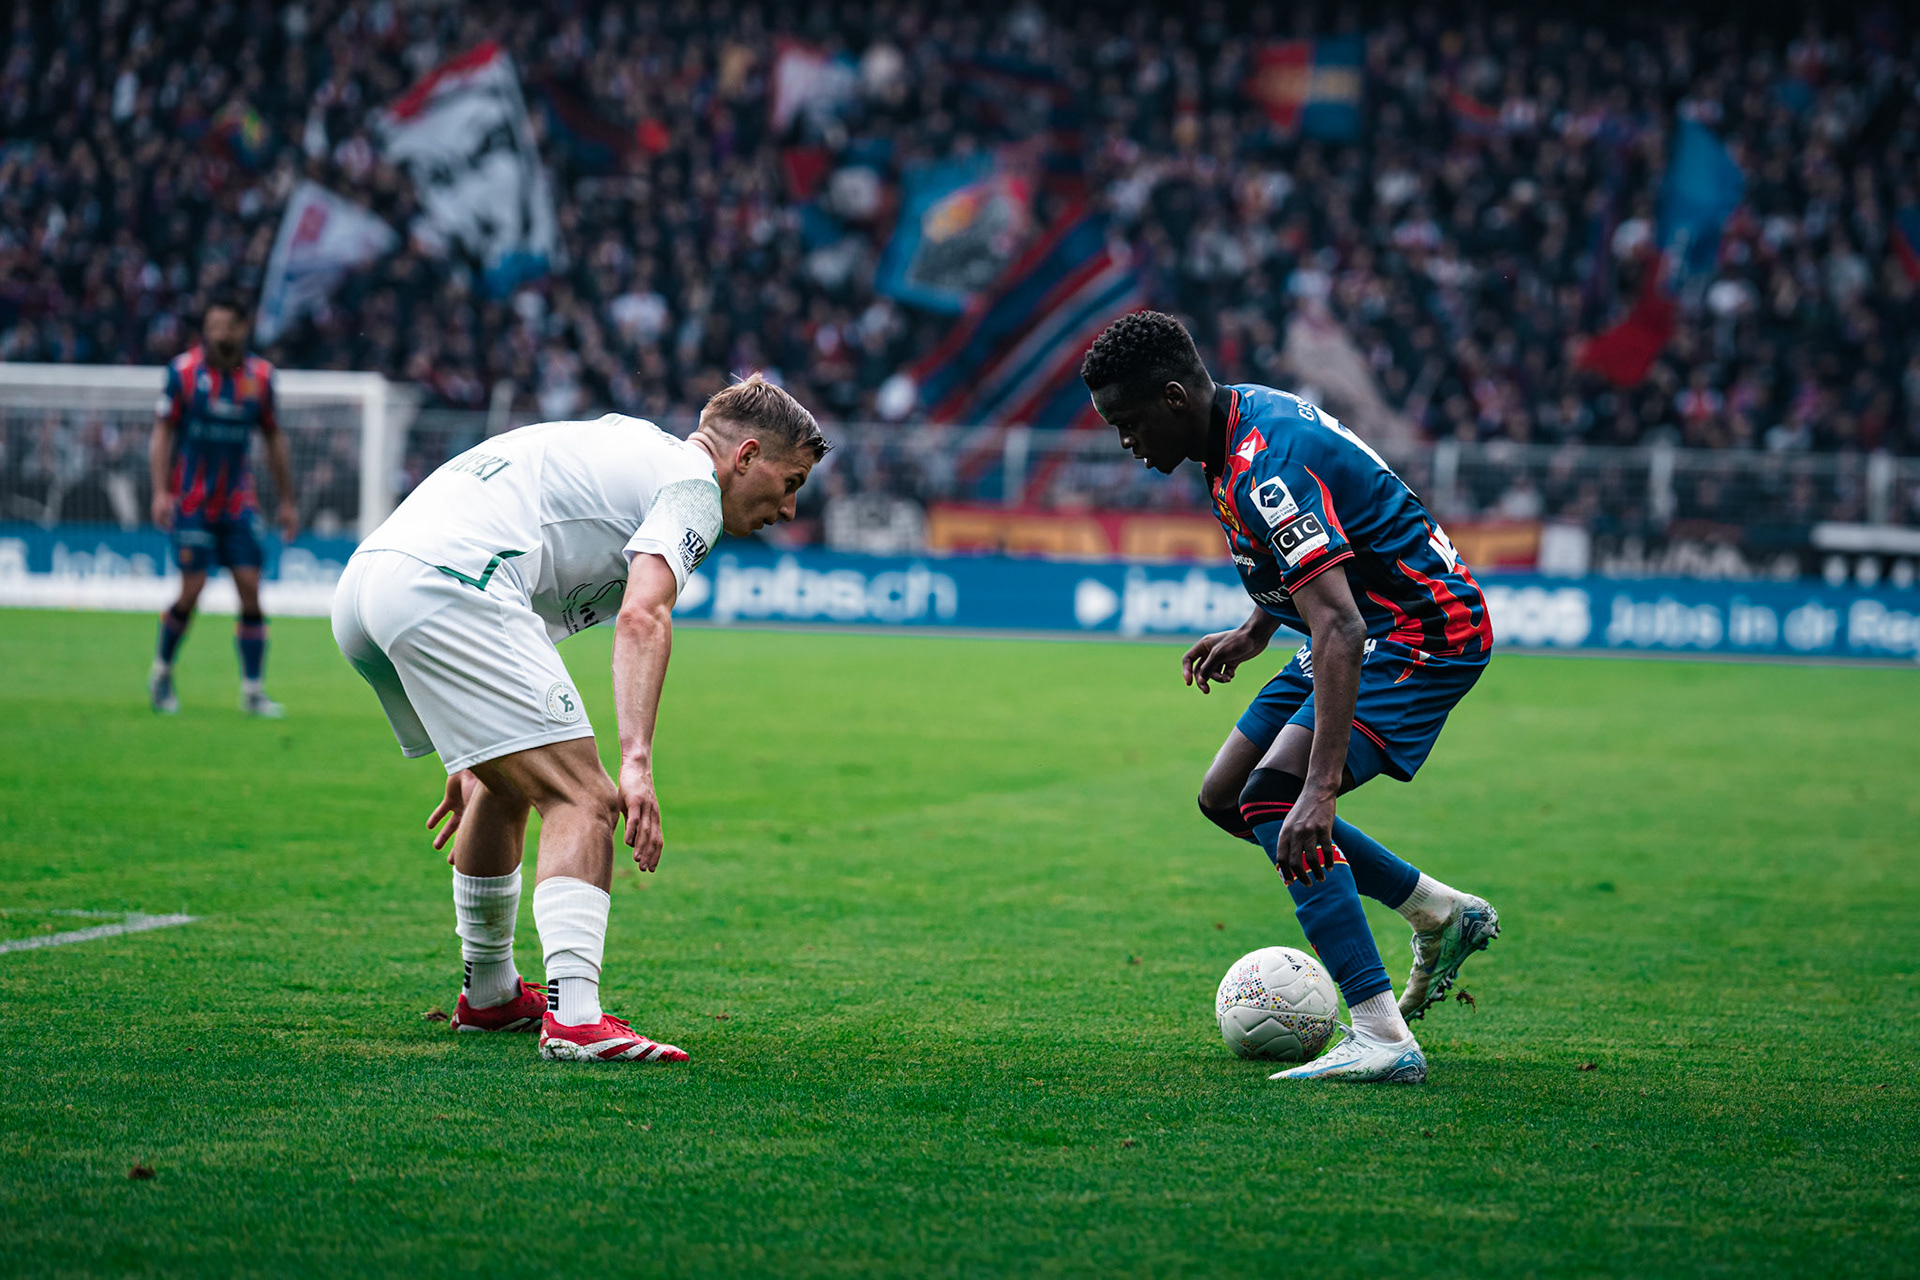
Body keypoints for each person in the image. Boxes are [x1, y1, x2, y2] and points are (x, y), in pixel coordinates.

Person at [331, 375, 827, 1064]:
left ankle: (492, 993)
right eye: (791, 480)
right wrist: (637, 762)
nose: (790, 507)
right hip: (450, 580)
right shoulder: (693, 489)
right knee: (585, 797)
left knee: (506, 785)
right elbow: (643, 614)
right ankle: (576, 1019)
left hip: (368, 586)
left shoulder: (628, 444)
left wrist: (472, 748)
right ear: (745, 457)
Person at [1081, 312, 1500, 1084]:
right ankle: (1436, 909)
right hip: (1364, 623)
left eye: (1128, 422)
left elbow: (1338, 624)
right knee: (1227, 796)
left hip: (1419, 632)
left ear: (1173, 398)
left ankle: (1380, 1035)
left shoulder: (1261, 462)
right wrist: (1254, 628)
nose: (1125, 441)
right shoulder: (1236, 424)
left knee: (1278, 800)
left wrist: (1318, 790)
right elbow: (1315, 553)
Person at [148, 293, 298, 717]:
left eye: (227, 326)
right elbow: (163, 433)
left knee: (250, 591)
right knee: (192, 589)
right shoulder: (183, 372)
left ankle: (253, 690)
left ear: (242, 328)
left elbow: (273, 439)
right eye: (212, 327)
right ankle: (161, 671)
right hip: (192, 502)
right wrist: (160, 491)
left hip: (238, 504)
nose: (220, 335)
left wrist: (287, 500)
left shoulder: (262, 378)